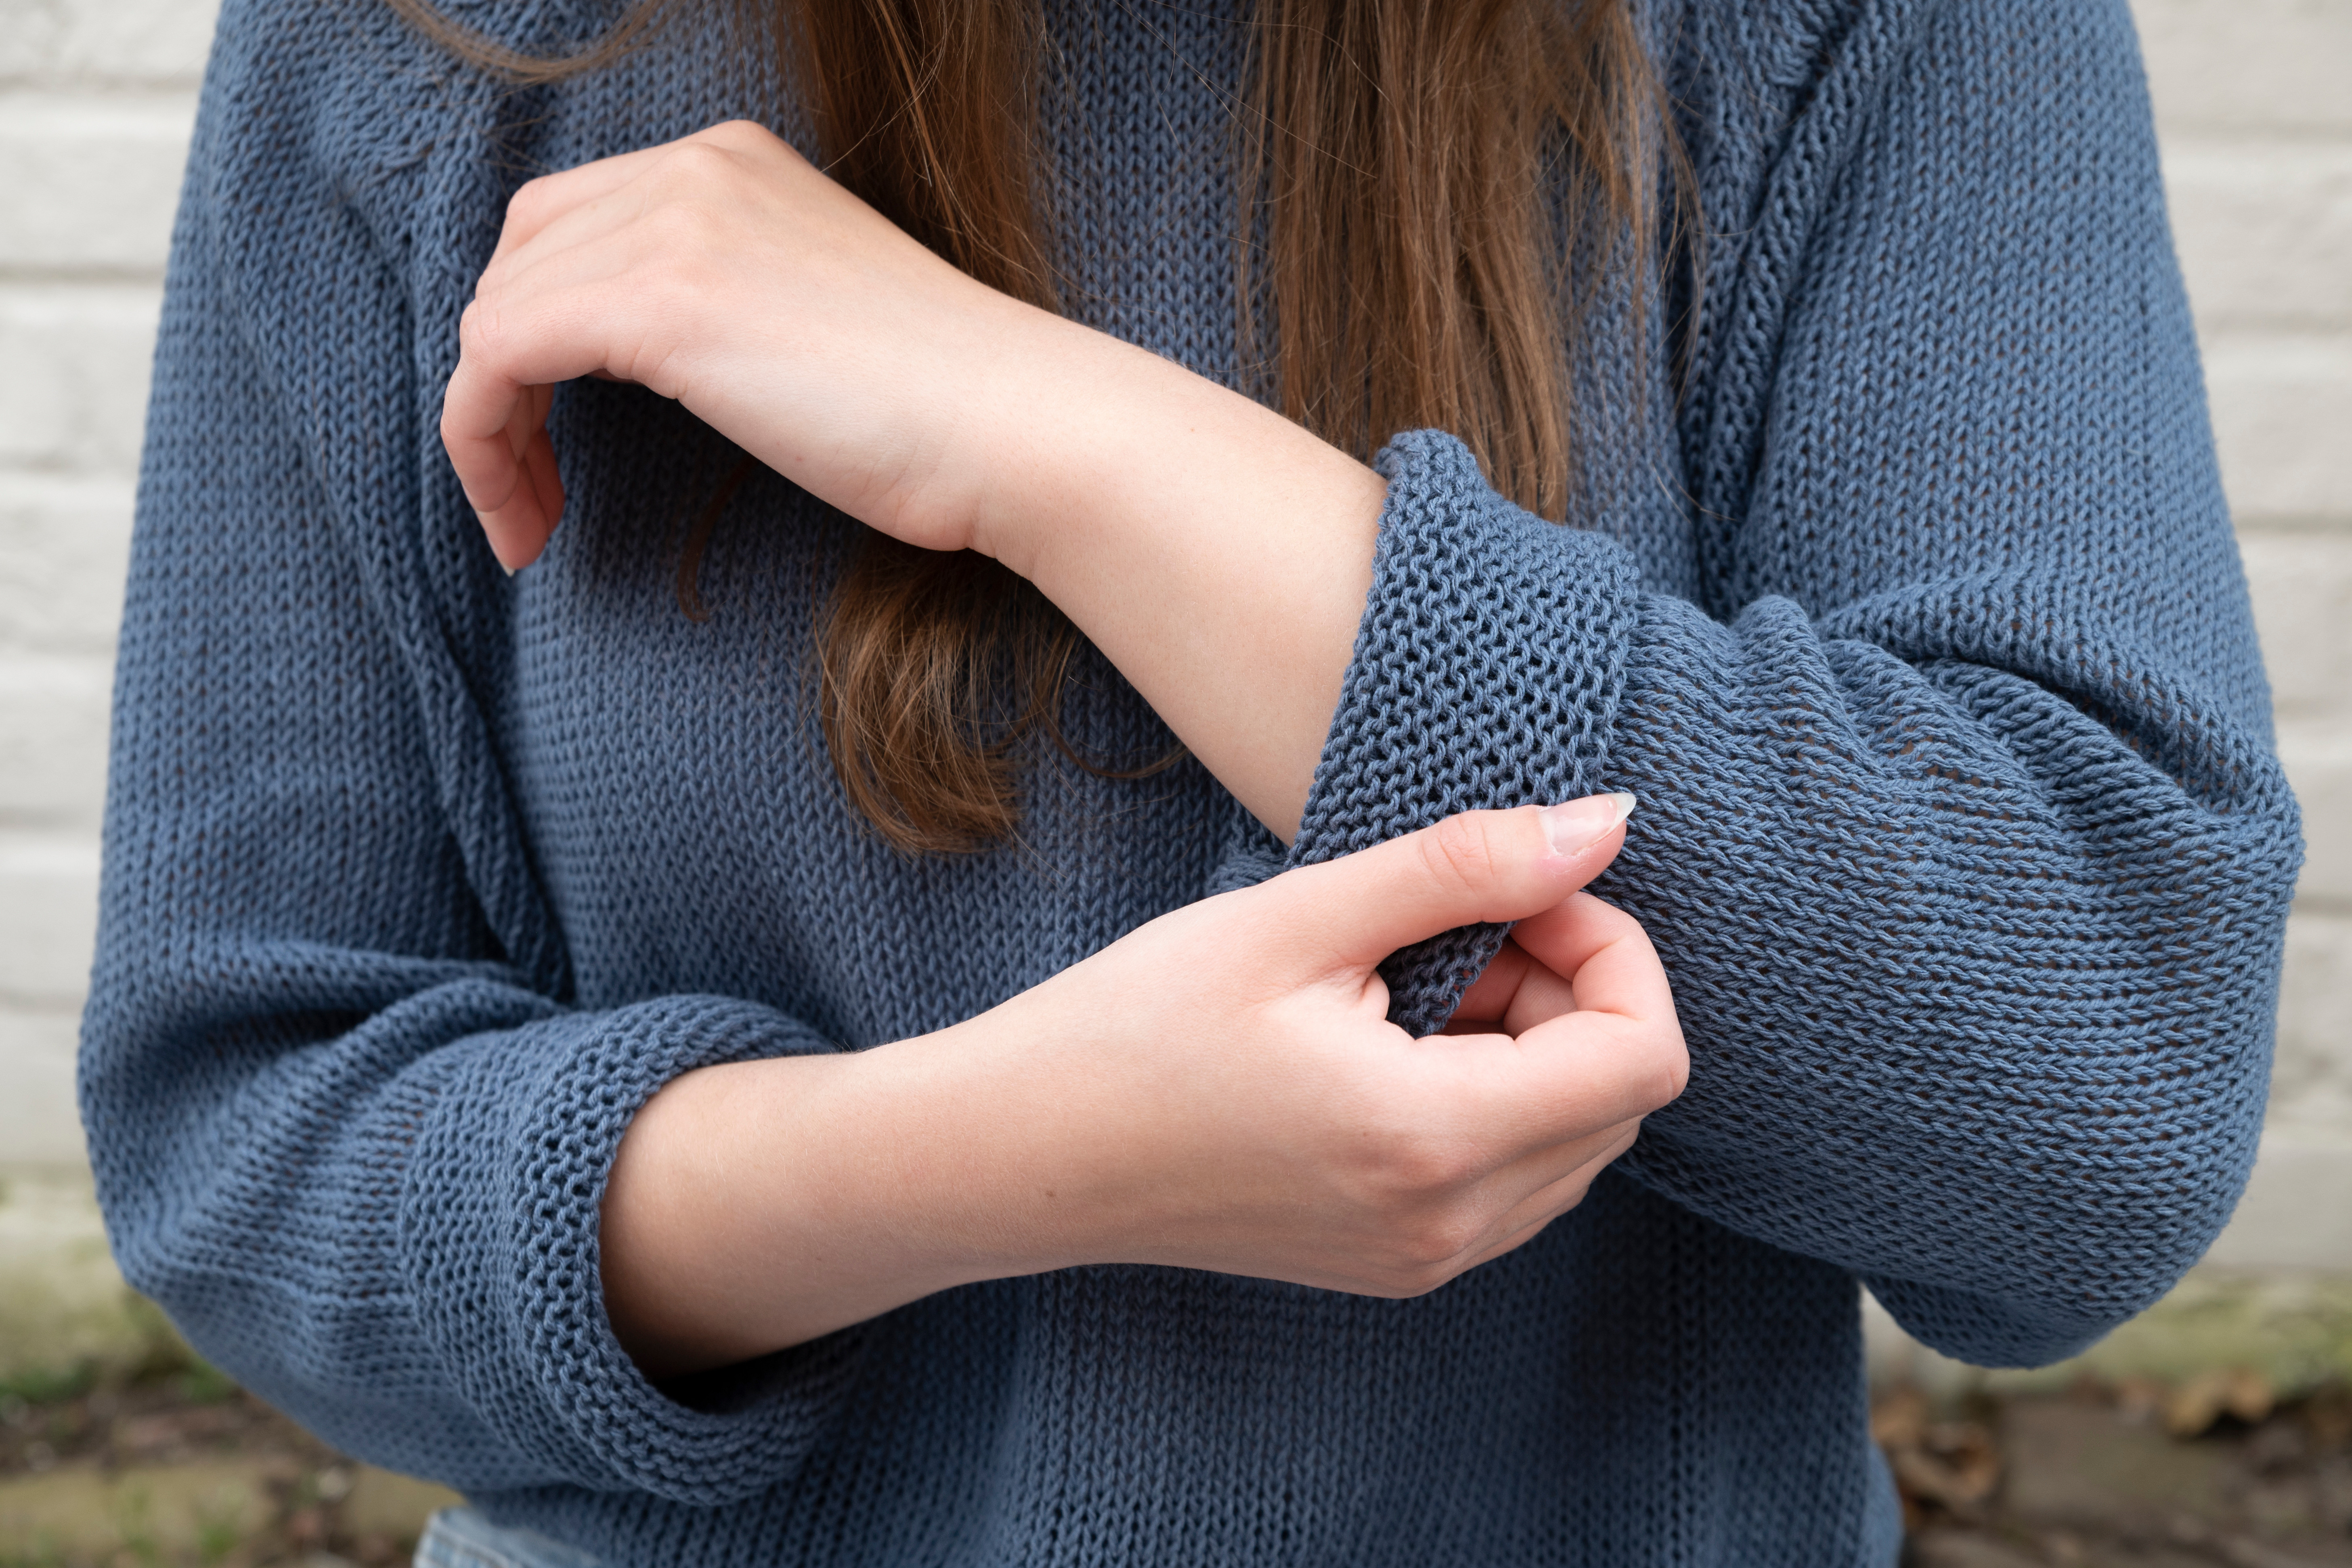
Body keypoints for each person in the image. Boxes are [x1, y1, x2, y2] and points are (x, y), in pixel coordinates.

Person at [79, 0, 2301, 1563]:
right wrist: (993, 1161)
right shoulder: (437, 45)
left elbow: (2096, 1085)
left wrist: (1056, 444)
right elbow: (251, 1134)